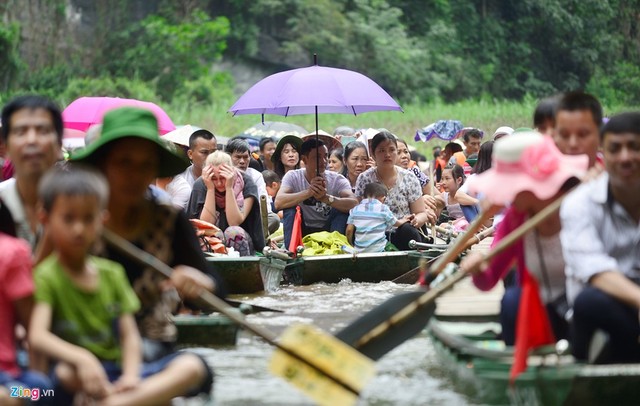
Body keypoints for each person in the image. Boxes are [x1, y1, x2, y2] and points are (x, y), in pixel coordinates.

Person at [70, 107, 222, 398]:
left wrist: (201, 284)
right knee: (48, 383)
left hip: (151, 345)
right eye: (124, 162)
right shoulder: (76, 217)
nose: (134, 175)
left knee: (194, 368)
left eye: (145, 164)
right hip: (86, 344)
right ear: (103, 165)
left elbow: (216, 290)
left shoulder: (169, 219)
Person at [460, 132, 588, 346]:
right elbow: (489, 280)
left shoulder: (579, 206)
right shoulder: (515, 218)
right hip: (539, 307)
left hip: (584, 302)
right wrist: (478, 269)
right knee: (512, 302)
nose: (507, 194)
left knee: (592, 302)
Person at [560, 112, 640, 363]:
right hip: (603, 310)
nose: (625, 157)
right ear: (603, 154)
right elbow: (594, 270)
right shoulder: (579, 203)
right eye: (615, 149)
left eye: (634, 147)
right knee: (590, 302)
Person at [0, 202, 52, 406]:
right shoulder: (12, 251)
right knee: (43, 390)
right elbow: (31, 324)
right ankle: (11, 396)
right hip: (6, 378)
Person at [0, 95, 63, 251]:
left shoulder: (80, 204)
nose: (32, 140)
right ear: (6, 147)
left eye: (43, 131)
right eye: (20, 132)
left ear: (59, 145)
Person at [354, 131, 436, 250]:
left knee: (408, 230)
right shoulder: (364, 179)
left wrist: (416, 220)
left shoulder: (409, 178)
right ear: (373, 154)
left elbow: (421, 213)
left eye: (391, 150)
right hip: (374, 234)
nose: (387, 154)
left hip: (402, 233)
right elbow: (359, 212)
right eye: (382, 150)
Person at [275, 139, 358, 248]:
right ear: (304, 159)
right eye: (318, 157)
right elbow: (278, 203)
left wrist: (327, 198)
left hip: (330, 227)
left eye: (325, 156)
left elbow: (354, 203)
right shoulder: (293, 176)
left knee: (342, 212)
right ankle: (291, 250)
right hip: (303, 227)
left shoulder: (337, 179)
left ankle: (337, 247)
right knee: (290, 210)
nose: (323, 161)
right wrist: (308, 192)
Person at [187, 151, 265, 255]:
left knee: (233, 232)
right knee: (213, 234)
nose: (219, 183)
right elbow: (207, 225)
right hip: (212, 242)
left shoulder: (246, 182)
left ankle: (243, 265)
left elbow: (234, 222)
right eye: (214, 179)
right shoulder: (202, 184)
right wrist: (210, 189)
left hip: (243, 240)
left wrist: (229, 188)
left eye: (223, 178)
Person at [225, 139, 279, 234]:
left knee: (273, 219)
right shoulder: (222, 174)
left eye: (245, 157)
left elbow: (265, 207)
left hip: (252, 219)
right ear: (229, 157)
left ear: (250, 157)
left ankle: (251, 237)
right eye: (238, 157)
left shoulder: (256, 176)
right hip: (228, 217)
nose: (242, 161)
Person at [346, 182, 411, 253]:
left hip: (360, 251)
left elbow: (349, 230)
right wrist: (404, 219)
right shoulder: (383, 208)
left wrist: (351, 244)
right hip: (380, 249)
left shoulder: (355, 210)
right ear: (383, 198)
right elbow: (396, 223)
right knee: (396, 252)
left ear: (363, 197)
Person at [553, 91, 603, 168]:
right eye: (564, 135)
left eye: (582, 135)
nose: (573, 144)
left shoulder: (614, 174)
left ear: (600, 136)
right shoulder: (538, 173)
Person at [435, 164, 478, 230]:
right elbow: (436, 215)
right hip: (452, 227)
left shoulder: (467, 195)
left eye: (447, 179)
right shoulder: (444, 196)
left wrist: (452, 223)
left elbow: (473, 216)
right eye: (442, 179)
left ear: (459, 180)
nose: (443, 182)